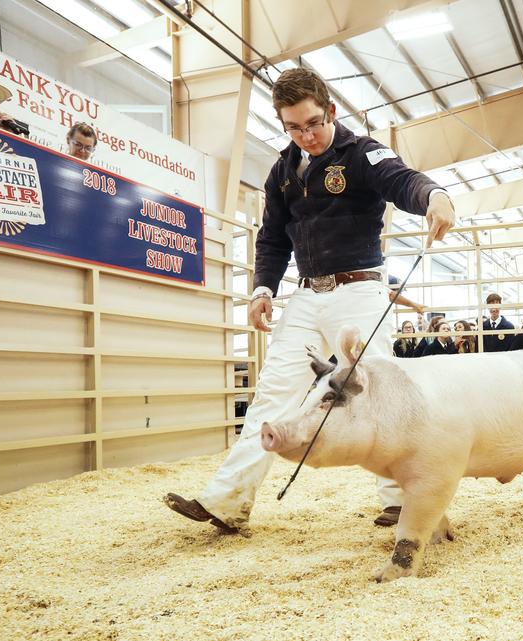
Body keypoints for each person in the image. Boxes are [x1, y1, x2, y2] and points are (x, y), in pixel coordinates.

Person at [164, 68, 455, 532]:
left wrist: (435, 195)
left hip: (359, 290)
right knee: (273, 392)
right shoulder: (281, 170)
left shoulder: (360, 153)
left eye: (313, 123)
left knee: (379, 390)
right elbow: (272, 239)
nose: (307, 135)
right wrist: (263, 288)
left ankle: (403, 499)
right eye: (294, 128)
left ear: (331, 111)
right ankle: (227, 500)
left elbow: (403, 181)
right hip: (306, 294)